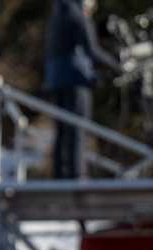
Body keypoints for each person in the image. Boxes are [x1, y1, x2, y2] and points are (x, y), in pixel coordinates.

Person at [44, 0, 120, 178]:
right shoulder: (77, 13)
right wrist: (116, 65)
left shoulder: (58, 12)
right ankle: (77, 178)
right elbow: (91, 49)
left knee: (62, 131)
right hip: (76, 79)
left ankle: (60, 177)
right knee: (78, 130)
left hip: (56, 79)